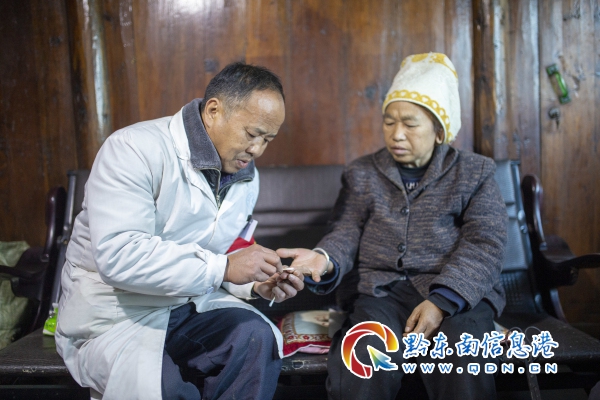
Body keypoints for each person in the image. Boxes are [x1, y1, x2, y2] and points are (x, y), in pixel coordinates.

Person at [55, 62, 304, 400]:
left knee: (254, 338)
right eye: (252, 134)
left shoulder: (246, 177)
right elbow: (119, 257)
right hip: (115, 315)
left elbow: (224, 251)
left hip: (186, 306)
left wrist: (257, 283)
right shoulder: (133, 149)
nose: (257, 149)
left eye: (267, 139)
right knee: (161, 388)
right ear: (214, 111)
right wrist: (224, 267)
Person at [278, 53, 508, 399]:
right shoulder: (362, 173)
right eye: (389, 122)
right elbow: (346, 230)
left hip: (456, 296)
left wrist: (441, 302)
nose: (396, 134)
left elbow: (485, 243)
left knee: (461, 356)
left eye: (410, 124)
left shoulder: (475, 172)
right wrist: (324, 258)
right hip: (380, 294)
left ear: (439, 131)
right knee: (363, 358)